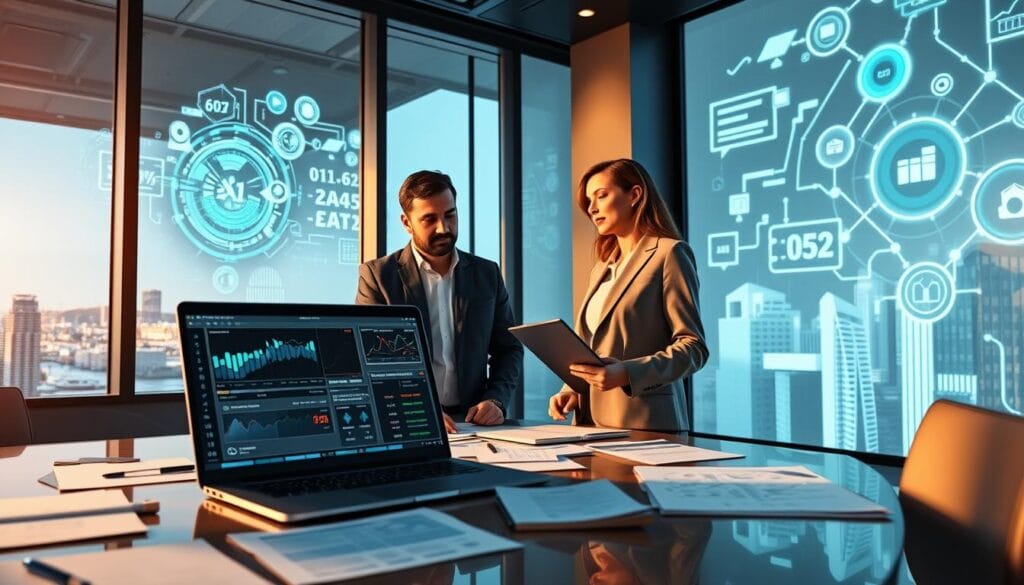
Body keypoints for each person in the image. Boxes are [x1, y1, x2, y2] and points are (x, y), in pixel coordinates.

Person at [547, 159, 708, 431]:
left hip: (646, 427)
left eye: (601, 195)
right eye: (588, 200)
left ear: (635, 195)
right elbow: (591, 348)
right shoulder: (601, 268)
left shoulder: (669, 254)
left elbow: (693, 349)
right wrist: (571, 389)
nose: (592, 207)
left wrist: (627, 373)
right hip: (591, 427)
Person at [357, 170, 522, 433]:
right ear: (406, 223)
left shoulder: (487, 274)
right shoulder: (377, 277)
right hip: (410, 421)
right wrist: (420, 407)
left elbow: (508, 349)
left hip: (474, 424)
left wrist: (496, 400)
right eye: (429, 219)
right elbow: (371, 361)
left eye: (450, 215)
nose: (444, 228)